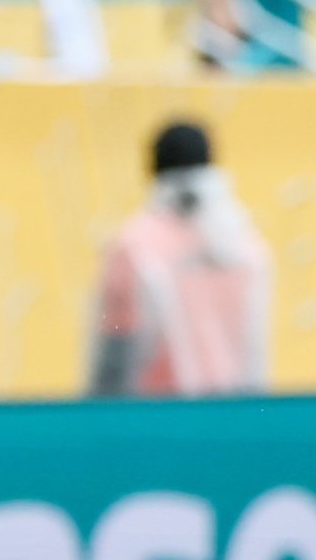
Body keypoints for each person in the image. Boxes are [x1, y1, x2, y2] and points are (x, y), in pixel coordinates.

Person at [87, 120, 271, 399]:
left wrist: (101, 422)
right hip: (234, 418)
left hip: (156, 422)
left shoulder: (133, 246)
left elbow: (115, 352)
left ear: (151, 168)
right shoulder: (246, 244)